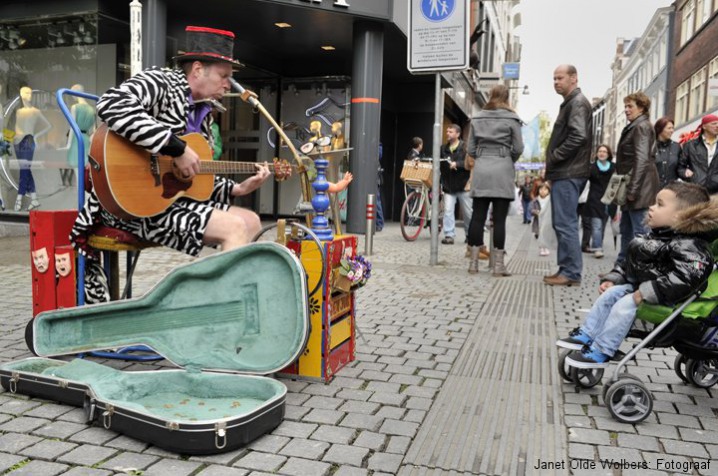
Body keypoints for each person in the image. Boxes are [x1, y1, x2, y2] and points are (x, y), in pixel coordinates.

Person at [71, 26, 271, 300]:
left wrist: (236, 189)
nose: (228, 85)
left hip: (166, 202)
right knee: (234, 227)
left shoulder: (206, 114)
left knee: (251, 220)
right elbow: (111, 103)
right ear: (198, 69)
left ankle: (215, 298)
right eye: (224, 76)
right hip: (127, 206)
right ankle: (222, 312)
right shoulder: (162, 82)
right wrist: (175, 147)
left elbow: (189, 178)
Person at [556, 182, 717, 368]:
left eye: (660, 204)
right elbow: (631, 265)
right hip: (644, 290)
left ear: (681, 215)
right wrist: (615, 277)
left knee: (625, 303)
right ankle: (588, 333)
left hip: (668, 299)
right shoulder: (657, 236)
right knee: (612, 294)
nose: (651, 207)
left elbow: (686, 278)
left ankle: (602, 349)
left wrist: (650, 290)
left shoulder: (691, 246)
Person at [466, 84, 524, 276]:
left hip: (482, 168)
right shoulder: (512, 119)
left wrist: (482, 157)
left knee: (477, 216)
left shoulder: (478, 117)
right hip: (502, 169)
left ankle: (473, 263)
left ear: (490, 95)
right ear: (507, 98)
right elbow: (518, 147)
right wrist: (507, 158)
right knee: (499, 221)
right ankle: (498, 266)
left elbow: (471, 149)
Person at [543, 64, 593, 287]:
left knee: (566, 224)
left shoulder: (577, 103)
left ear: (574, 78)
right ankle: (566, 268)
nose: (556, 82)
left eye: (560, 78)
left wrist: (554, 156)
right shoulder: (572, 103)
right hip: (567, 171)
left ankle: (571, 272)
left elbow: (578, 136)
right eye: (554, 78)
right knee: (562, 223)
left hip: (569, 172)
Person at [613, 92, 660, 268]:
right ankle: (621, 268)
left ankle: (640, 271)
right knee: (626, 230)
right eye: (625, 106)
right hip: (634, 187)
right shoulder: (636, 126)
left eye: (630, 106)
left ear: (641, 108)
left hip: (639, 190)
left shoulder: (641, 127)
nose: (626, 110)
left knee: (640, 234)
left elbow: (642, 160)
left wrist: (633, 190)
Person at [14, 86, 51, 211]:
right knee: (26, 170)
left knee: (24, 171)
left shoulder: (35, 111)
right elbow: (17, 126)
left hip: (28, 140)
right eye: (27, 93)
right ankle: (34, 200)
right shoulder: (18, 111)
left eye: (30, 93)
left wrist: (36, 136)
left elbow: (48, 126)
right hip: (17, 141)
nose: (30, 95)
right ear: (21, 94)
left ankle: (18, 198)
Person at [439, 124, 472, 245]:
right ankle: (449, 235)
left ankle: (469, 235)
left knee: (468, 212)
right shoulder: (443, 148)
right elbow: (440, 165)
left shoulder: (466, 147)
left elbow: (471, 163)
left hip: (464, 185)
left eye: (451, 132)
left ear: (458, 134)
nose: (447, 133)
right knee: (448, 211)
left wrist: (457, 164)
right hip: (449, 186)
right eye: (447, 131)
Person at [584, 145, 615, 259]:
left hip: (609, 201)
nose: (602, 153)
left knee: (602, 224)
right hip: (595, 200)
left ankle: (597, 244)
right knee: (596, 225)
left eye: (604, 151)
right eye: (600, 151)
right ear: (597, 154)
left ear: (608, 154)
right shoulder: (591, 167)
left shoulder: (613, 167)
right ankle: (598, 248)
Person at [63, 84, 95, 187]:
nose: (72, 97)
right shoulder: (92, 109)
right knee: (87, 176)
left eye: (73, 93)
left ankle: (80, 203)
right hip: (86, 140)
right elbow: (94, 131)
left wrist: (68, 144)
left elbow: (73, 127)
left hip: (76, 140)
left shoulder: (75, 107)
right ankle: (86, 201)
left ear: (76, 92)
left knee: (78, 177)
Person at [678, 114, 718, 193]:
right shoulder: (690, 145)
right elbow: (680, 167)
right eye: (714, 124)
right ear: (704, 126)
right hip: (696, 191)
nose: (717, 126)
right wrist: (686, 174)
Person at [654, 117, 682, 188]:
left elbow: (681, 167)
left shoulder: (676, 147)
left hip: (671, 190)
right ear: (659, 129)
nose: (672, 131)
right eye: (669, 128)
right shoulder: (650, 147)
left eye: (672, 128)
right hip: (653, 190)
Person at [533, 182, 555, 256]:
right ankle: (541, 248)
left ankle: (546, 248)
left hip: (548, 220)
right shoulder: (536, 200)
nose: (543, 191)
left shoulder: (550, 199)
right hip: (539, 221)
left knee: (546, 234)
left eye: (545, 189)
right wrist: (534, 211)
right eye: (541, 189)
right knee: (540, 234)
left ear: (549, 190)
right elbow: (531, 209)